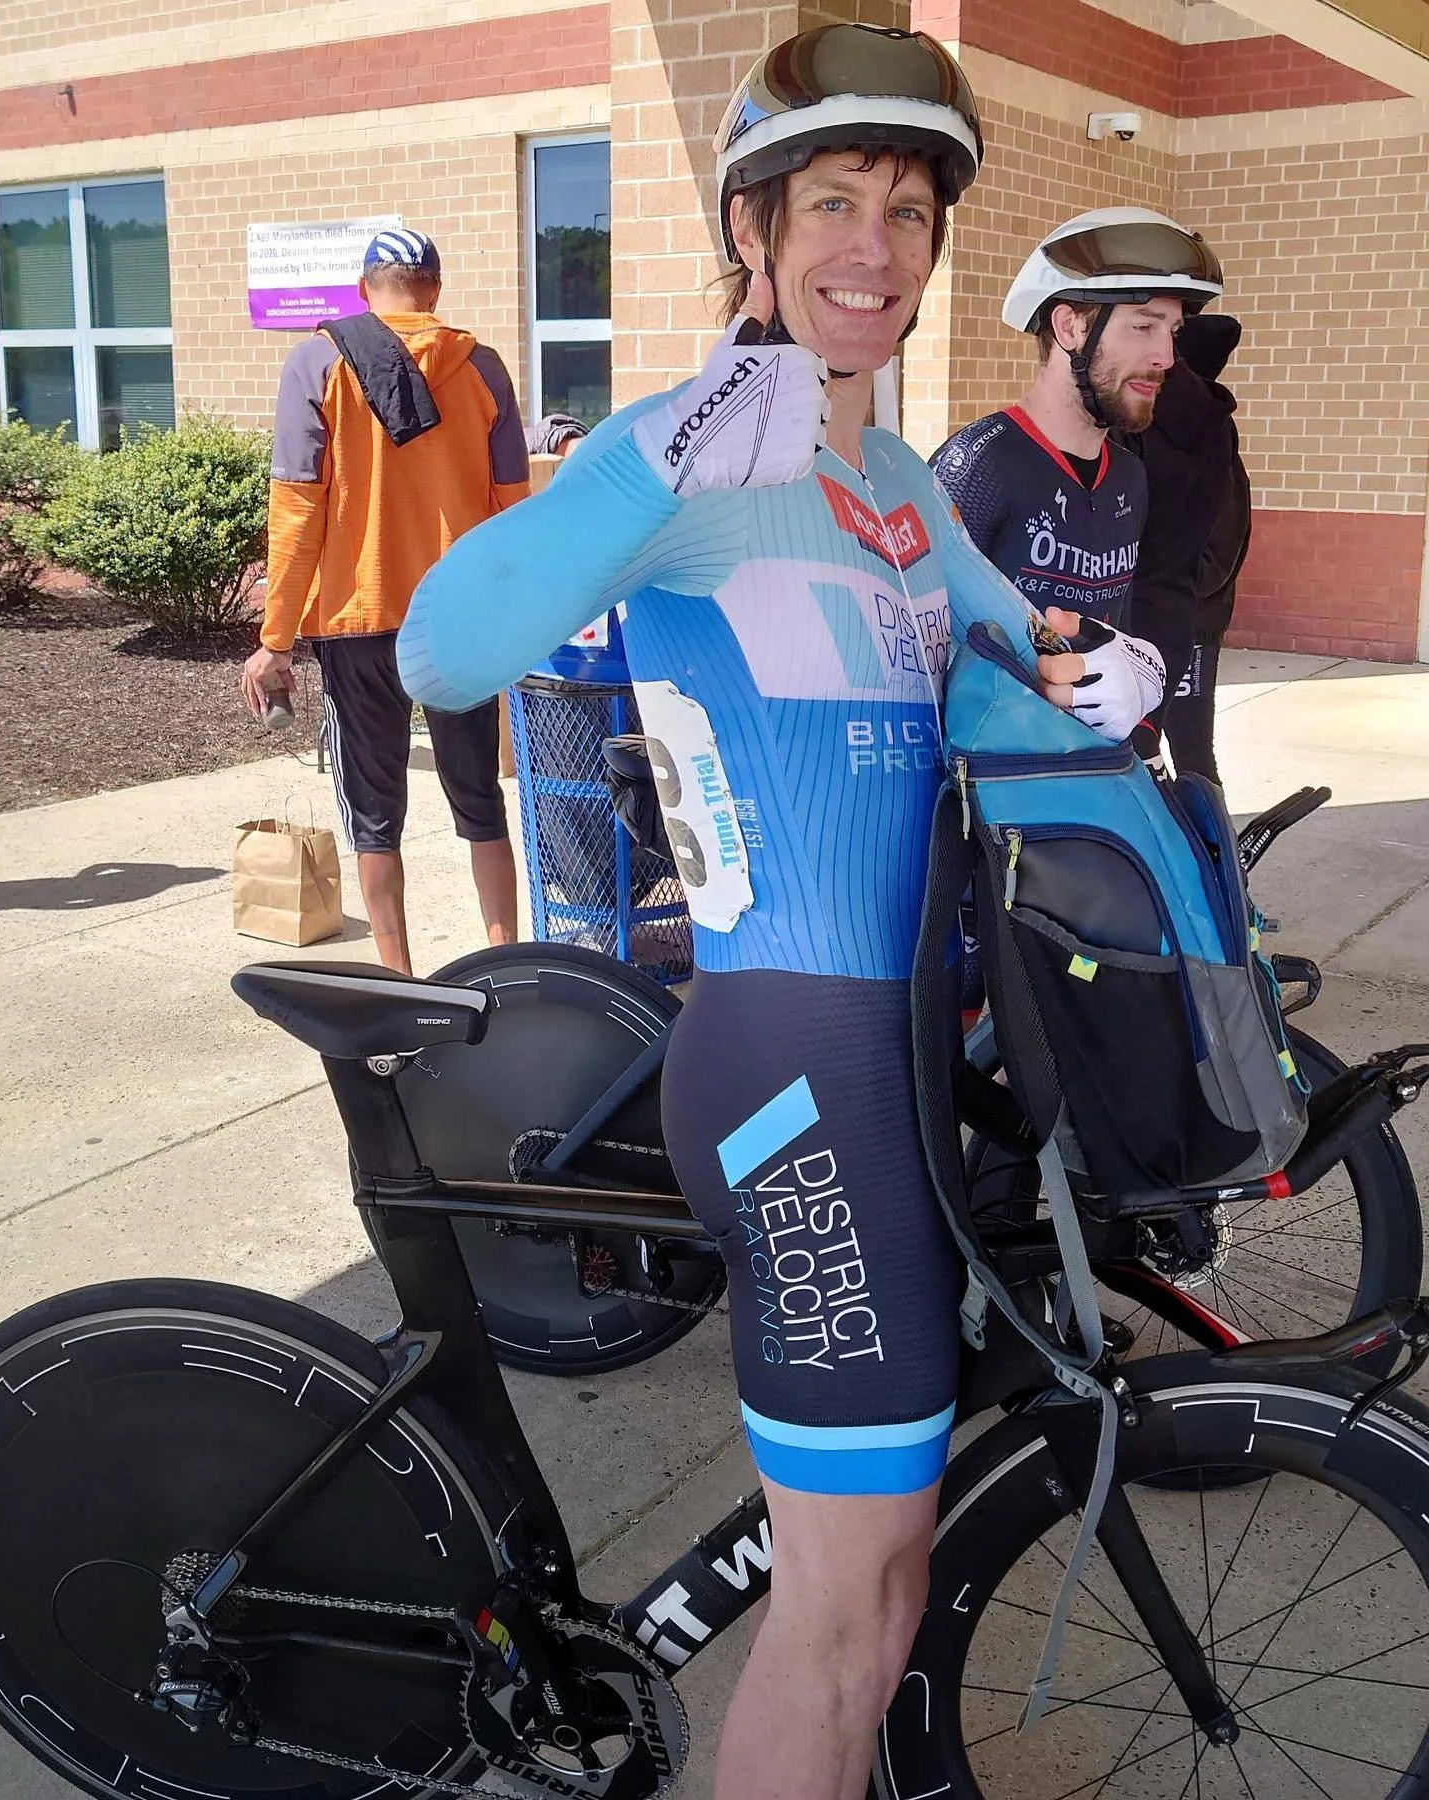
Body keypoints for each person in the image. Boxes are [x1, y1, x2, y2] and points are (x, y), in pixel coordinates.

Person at [395, 26, 1165, 1796]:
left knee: (883, 1583)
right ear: (755, 228)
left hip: (909, 1050)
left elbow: (1001, 685)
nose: (872, 247)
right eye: (830, 201)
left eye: (905, 208)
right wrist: (659, 460)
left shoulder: (899, 492)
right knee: (832, 1611)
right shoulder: (690, 450)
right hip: (791, 1069)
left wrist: (1090, 685)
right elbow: (443, 645)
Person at [240, 226, 529, 974]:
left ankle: (400, 981)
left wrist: (276, 638)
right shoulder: (483, 368)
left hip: (359, 619)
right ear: (433, 290)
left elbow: (297, 510)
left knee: (373, 816)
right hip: (460, 620)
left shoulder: (317, 362)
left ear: (366, 289)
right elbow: (512, 508)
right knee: (480, 801)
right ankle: (510, 962)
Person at [930, 207, 1224, 629]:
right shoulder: (975, 469)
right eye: (1144, 327)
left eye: (1172, 332)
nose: (1166, 358)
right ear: (1070, 329)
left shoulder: (1128, 476)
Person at [1125, 311, 1251, 783]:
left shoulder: (1199, 441)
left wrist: (1182, 594)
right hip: (1178, 616)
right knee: (1169, 746)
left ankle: (1210, 851)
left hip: (1189, 619)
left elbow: (1221, 547)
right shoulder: (1201, 431)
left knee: (1188, 749)